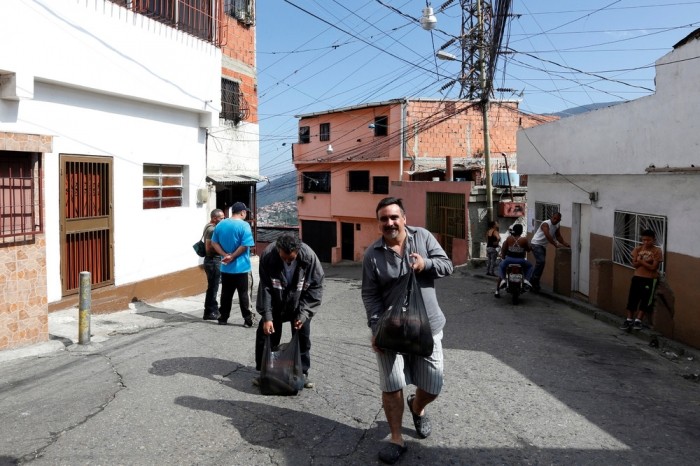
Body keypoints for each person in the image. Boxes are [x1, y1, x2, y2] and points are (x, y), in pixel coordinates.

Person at [361, 197, 453, 464]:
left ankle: (418, 406)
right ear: (379, 223)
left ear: (404, 218)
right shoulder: (372, 255)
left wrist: (426, 264)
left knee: (434, 384)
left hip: (428, 327)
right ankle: (396, 437)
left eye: (394, 217)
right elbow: (370, 295)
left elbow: (447, 265)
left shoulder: (422, 237)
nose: (389, 223)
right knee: (391, 385)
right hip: (391, 331)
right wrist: (376, 328)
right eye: (384, 219)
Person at [253, 234, 324, 389]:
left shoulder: (310, 258)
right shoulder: (268, 256)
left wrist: (304, 313)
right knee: (266, 335)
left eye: (291, 259)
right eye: (284, 258)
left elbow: (316, 288)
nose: (287, 261)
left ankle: (302, 373)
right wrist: (267, 316)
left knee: (302, 337)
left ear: (298, 251)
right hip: (276, 303)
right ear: (278, 250)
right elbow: (265, 287)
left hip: (299, 303)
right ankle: (264, 372)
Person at [211, 202, 256, 327]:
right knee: (244, 295)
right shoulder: (244, 225)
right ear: (242, 212)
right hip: (242, 268)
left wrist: (225, 255)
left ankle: (223, 318)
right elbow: (245, 245)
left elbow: (214, 243)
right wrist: (233, 256)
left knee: (226, 294)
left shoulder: (221, 224)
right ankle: (248, 320)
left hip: (226, 268)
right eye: (245, 212)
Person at [620, 229, 663, 331]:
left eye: (648, 240)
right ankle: (629, 319)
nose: (646, 242)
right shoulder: (638, 249)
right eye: (644, 240)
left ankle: (638, 320)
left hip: (650, 279)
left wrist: (641, 261)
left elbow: (653, 267)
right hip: (637, 277)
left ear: (654, 240)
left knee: (646, 300)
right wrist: (646, 261)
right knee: (632, 298)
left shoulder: (657, 251)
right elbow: (634, 264)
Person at [529, 212, 570, 291]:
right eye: (554, 218)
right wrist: (555, 245)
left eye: (557, 220)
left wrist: (565, 243)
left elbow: (558, 236)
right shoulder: (545, 224)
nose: (555, 220)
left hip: (542, 246)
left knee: (541, 264)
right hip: (536, 244)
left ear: (559, 220)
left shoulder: (557, 225)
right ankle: (534, 280)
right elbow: (547, 235)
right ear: (552, 217)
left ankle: (534, 281)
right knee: (541, 262)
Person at [494, 223, 533, 298]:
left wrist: (503, 257)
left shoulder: (509, 238)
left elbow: (504, 249)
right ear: (521, 231)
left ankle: (502, 281)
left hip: (509, 260)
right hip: (521, 261)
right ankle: (526, 280)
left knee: (501, 266)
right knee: (530, 266)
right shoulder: (524, 239)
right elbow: (528, 250)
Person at [202, 208, 226, 320]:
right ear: (214, 218)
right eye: (221, 218)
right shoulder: (212, 230)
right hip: (213, 261)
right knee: (213, 287)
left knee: (213, 287)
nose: (223, 220)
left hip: (212, 261)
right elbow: (209, 249)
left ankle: (212, 309)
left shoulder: (209, 227)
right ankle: (210, 311)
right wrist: (223, 251)